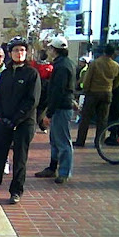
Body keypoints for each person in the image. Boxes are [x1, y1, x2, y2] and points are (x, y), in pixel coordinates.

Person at [0, 36, 41, 204]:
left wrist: (17, 119)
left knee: (20, 158)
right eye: (16, 50)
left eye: (23, 50)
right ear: (11, 53)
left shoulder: (31, 73)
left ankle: (16, 191)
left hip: (23, 123)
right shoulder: (5, 74)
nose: (20, 53)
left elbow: (32, 100)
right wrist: (1, 117)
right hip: (4, 121)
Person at [34, 36, 76, 184]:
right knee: (56, 140)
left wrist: (49, 113)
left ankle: (63, 172)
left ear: (54, 50)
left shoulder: (61, 67)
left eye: (51, 48)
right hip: (62, 106)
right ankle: (53, 167)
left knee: (63, 141)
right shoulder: (66, 64)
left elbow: (58, 91)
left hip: (61, 108)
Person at [73, 43, 119, 147]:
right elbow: (117, 82)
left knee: (85, 118)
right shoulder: (116, 66)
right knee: (102, 119)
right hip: (107, 93)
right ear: (113, 53)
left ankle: (80, 140)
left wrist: (85, 89)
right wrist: (110, 88)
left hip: (93, 93)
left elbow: (87, 79)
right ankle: (99, 141)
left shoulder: (95, 63)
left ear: (104, 51)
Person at [30, 49, 53, 133]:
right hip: (40, 87)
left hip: (43, 88)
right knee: (39, 108)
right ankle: (41, 125)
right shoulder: (46, 66)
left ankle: (41, 125)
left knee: (40, 108)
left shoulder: (46, 67)